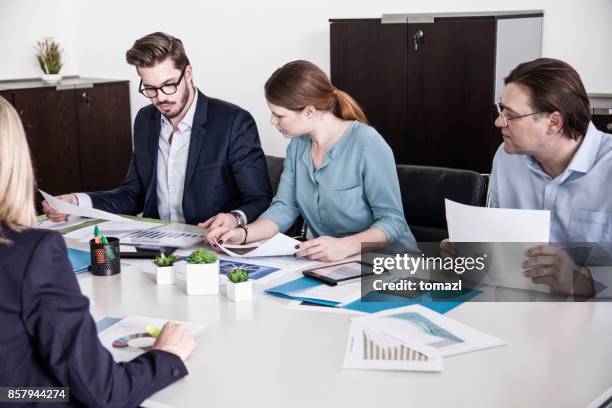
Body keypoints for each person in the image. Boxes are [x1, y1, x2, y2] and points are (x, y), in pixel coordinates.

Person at [0, 95, 196, 407]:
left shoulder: (230, 120)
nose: (159, 96)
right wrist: (166, 355)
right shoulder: (30, 253)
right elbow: (104, 394)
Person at [42, 32, 272, 228]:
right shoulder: (145, 121)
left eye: (169, 85)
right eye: (150, 88)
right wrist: (77, 202)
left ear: (188, 74)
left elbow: (259, 199)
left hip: (210, 244)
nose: (161, 97)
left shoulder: (233, 122)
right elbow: (133, 196)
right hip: (156, 246)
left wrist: (235, 218)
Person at [206, 60, 415, 261]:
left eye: (279, 115)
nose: (272, 121)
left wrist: (345, 246)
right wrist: (242, 234)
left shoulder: (367, 143)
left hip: (390, 264)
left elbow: (393, 222)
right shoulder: (298, 145)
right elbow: (284, 208)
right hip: (338, 266)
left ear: (309, 112)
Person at [443, 58, 612, 296]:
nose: (498, 121)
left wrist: (581, 279)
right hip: (516, 308)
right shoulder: (506, 157)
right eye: (501, 109)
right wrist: (469, 254)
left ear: (554, 122)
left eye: (510, 115)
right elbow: (496, 242)